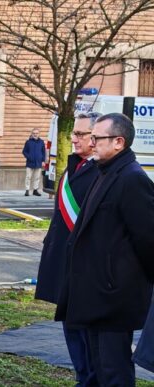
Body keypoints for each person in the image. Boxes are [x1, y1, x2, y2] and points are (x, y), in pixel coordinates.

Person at [56, 113, 154, 386]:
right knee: (97, 369)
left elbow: (148, 240)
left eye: (97, 138)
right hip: (93, 292)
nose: (91, 142)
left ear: (119, 142)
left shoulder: (132, 179)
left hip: (113, 296)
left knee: (114, 372)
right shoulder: (105, 171)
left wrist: (119, 279)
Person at [35, 112, 101, 386]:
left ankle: (91, 379)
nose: (73, 139)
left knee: (87, 331)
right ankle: (82, 376)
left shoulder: (101, 171)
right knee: (70, 325)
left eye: (80, 134)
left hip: (85, 265)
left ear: (97, 138)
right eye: (74, 133)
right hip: (63, 257)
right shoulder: (73, 165)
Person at [22, 128, 46, 196]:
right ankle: (27, 190)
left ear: (39, 134)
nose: (35, 134)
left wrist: (43, 160)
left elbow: (43, 152)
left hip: (38, 163)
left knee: (37, 177)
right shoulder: (28, 142)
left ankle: (35, 190)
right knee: (28, 177)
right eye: (34, 133)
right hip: (30, 163)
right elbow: (24, 151)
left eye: (36, 133)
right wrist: (29, 157)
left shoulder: (41, 142)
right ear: (32, 134)